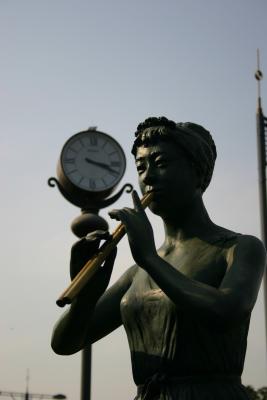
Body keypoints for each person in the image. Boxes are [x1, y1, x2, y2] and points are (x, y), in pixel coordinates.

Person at [51, 116, 266, 399]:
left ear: (198, 172)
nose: (147, 177)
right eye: (141, 167)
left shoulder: (238, 248)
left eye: (161, 163)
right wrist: (85, 299)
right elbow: (64, 344)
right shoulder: (137, 273)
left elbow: (228, 311)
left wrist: (151, 258)